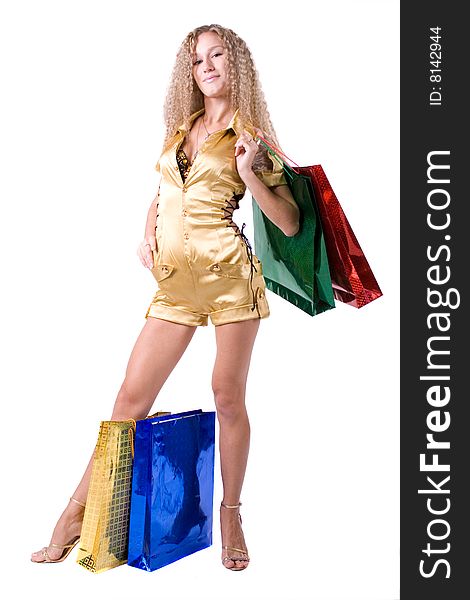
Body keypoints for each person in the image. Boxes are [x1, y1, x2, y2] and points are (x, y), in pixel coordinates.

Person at [31, 23, 300, 572]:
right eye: (197, 59)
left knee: (227, 396)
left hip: (230, 281)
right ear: (190, 72)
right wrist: (147, 229)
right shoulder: (182, 130)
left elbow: (291, 224)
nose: (206, 66)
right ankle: (75, 513)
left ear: (236, 64)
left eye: (218, 55)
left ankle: (230, 514)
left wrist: (249, 174)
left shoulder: (252, 136)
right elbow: (163, 192)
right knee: (129, 399)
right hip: (174, 285)